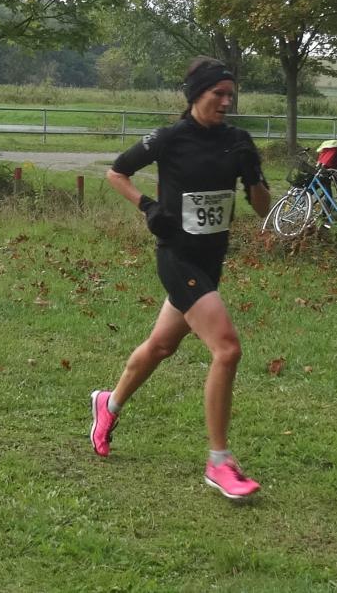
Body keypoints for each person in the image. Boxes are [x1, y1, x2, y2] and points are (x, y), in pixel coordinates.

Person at [90, 56, 271, 499]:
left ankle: (108, 403)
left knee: (161, 346)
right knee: (227, 349)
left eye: (231, 95)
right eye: (217, 94)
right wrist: (148, 206)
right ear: (195, 95)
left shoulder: (238, 141)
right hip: (176, 257)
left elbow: (263, 209)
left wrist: (254, 176)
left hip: (211, 261)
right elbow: (117, 172)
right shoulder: (169, 138)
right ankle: (219, 462)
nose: (226, 103)